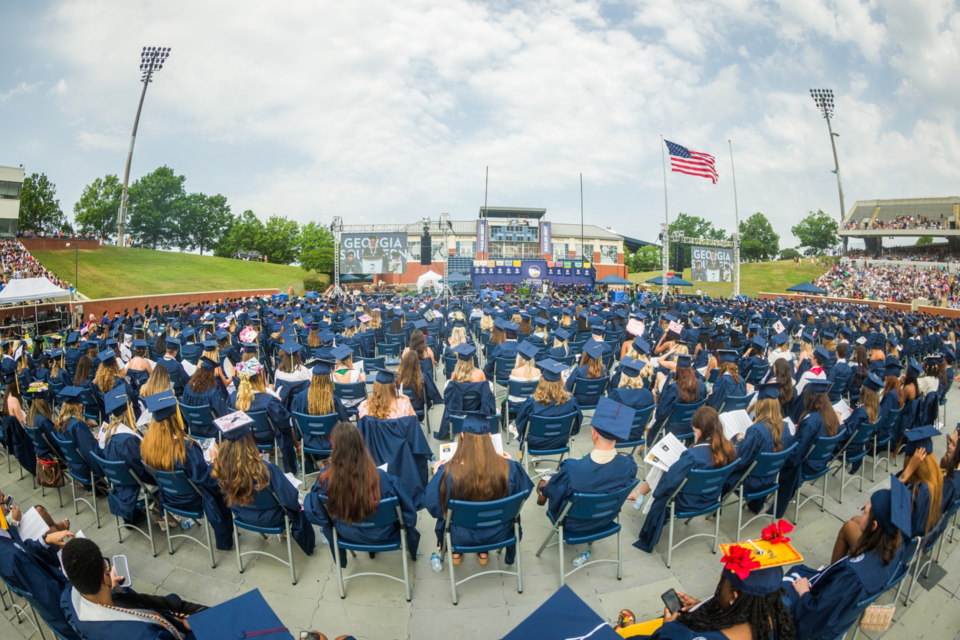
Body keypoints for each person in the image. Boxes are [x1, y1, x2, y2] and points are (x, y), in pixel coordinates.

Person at [782, 481, 908, 640]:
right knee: (798, 571)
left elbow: (813, 618)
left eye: (865, 511)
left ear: (874, 525)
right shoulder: (897, 548)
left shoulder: (852, 576)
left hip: (817, 625)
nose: (861, 511)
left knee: (774, 588)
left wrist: (804, 592)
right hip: (838, 613)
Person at [303, 421, 420, 568]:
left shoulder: (325, 479)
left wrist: (330, 520)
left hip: (347, 532)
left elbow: (315, 511)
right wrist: (409, 533)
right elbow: (409, 512)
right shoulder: (382, 478)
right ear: (360, 444)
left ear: (334, 446)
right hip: (384, 534)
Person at [423, 415, 533, 566]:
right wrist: (509, 463)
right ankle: (483, 553)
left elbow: (433, 505)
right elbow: (521, 495)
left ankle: (456, 553)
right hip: (499, 532)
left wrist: (437, 474)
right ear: (489, 436)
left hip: (460, 534)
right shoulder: (511, 469)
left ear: (462, 435)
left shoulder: (447, 472)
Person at [633, 406, 738, 552]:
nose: (694, 433)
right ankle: (640, 494)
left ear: (704, 429)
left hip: (686, 501)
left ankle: (640, 494)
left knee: (664, 480)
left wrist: (658, 492)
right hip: (711, 497)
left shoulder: (693, 456)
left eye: (695, 430)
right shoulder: (729, 449)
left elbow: (669, 483)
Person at [141, 390, 235, 551]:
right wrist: (213, 460)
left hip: (170, 498)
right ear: (174, 417)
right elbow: (208, 479)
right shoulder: (185, 449)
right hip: (194, 500)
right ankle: (225, 540)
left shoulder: (147, 446)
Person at [61, 537, 206, 639]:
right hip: (166, 632)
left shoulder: (68, 598)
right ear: (104, 577)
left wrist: (113, 588)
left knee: (174, 599)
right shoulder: (143, 635)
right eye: (107, 566)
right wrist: (192, 628)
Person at [618, 557, 795, 640]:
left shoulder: (685, 636)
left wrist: (668, 627)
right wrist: (699, 604)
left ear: (735, 595)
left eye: (722, 584)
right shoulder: (778, 616)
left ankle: (625, 629)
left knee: (623, 635)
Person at [211, 419, 315, 557]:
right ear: (249, 443)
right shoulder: (267, 469)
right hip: (273, 518)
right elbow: (290, 500)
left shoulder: (220, 469)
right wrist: (261, 464)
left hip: (241, 513)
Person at [537, 397, 639, 536]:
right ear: (618, 437)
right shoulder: (629, 465)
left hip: (573, 525)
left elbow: (556, 495)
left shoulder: (572, 469)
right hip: (606, 520)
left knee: (544, 486)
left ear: (594, 433)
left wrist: (543, 490)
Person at [99, 388, 158, 525]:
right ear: (127, 411)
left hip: (121, 487)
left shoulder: (108, 436)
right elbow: (143, 472)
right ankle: (162, 512)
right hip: (136, 489)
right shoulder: (128, 441)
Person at [228, 359, 297, 474]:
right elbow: (283, 422)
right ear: (258, 378)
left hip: (243, 436)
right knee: (286, 430)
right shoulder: (269, 400)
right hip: (267, 437)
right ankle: (290, 470)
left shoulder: (233, 398)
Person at [515, 360, 583, 452]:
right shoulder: (571, 400)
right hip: (561, 440)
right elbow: (577, 423)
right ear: (561, 382)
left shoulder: (532, 402)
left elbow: (520, 423)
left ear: (541, 381)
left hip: (535, 442)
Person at [606, 357, 654, 443]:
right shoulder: (649, 396)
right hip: (636, 436)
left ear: (623, 376)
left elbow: (606, 417)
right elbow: (649, 420)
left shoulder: (616, 394)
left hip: (616, 436)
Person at [179, 357, 229, 432]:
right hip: (211, 431)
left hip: (193, 429)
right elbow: (222, 415)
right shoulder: (213, 392)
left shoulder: (187, 389)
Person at [565, 341, 608, 406]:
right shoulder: (605, 369)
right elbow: (607, 386)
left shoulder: (579, 369)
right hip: (598, 399)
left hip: (580, 400)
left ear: (585, 355)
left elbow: (567, 388)